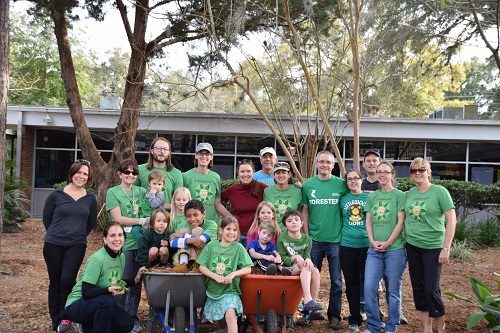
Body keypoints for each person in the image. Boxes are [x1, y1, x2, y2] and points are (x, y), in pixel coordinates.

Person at [43, 159, 97, 333]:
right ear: (72, 173)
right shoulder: (56, 195)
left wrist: (77, 234)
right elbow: (47, 219)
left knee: (67, 280)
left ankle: (67, 316)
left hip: (76, 245)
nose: (81, 176)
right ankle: (56, 320)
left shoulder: (90, 198)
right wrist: (58, 233)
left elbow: (91, 223)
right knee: (55, 283)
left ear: (88, 178)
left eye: (85, 174)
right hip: (53, 244)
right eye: (79, 172)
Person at [404, 158, 456, 333]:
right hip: (412, 246)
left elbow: (451, 220)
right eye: (413, 171)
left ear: (429, 172)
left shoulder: (440, 191)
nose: (418, 173)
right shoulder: (410, 193)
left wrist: (446, 248)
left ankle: (440, 328)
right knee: (419, 288)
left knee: (431, 288)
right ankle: (426, 328)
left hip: (433, 247)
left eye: (421, 169)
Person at [64, 222, 144, 333]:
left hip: (100, 303)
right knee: (107, 301)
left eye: (120, 235)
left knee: (126, 323)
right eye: (112, 235)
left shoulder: (121, 256)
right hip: (77, 305)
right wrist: (108, 290)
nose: (117, 239)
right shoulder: (97, 259)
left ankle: (88, 328)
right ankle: (88, 325)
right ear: (105, 239)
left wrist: (136, 279)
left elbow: (116, 282)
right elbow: (86, 292)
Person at [301, 150, 347, 329]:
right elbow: (305, 210)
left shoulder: (341, 185)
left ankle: (334, 316)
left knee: (336, 280)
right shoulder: (308, 185)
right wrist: (306, 234)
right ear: (316, 164)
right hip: (314, 240)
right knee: (309, 277)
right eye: (321, 162)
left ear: (333, 164)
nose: (324, 165)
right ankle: (308, 313)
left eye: (328, 162)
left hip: (336, 240)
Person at [105, 159, 148, 333]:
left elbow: (151, 211)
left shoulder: (142, 191)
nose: (130, 175)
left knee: (137, 282)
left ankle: (132, 318)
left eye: (134, 172)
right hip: (123, 243)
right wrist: (141, 221)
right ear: (120, 174)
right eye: (126, 172)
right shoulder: (113, 192)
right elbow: (118, 219)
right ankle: (118, 318)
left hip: (141, 242)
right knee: (122, 280)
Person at [363, 161, 406, 333]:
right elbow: (368, 221)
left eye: (385, 172)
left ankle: (392, 325)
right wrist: (372, 241)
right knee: (369, 288)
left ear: (392, 175)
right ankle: (373, 325)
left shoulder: (399, 195)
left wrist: (388, 243)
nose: (381, 175)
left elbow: (401, 222)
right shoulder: (372, 197)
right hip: (373, 250)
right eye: (379, 172)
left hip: (394, 249)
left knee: (393, 290)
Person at [196, 216, 253, 333]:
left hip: (230, 290)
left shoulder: (238, 248)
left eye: (234, 230)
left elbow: (248, 269)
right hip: (213, 290)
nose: (231, 233)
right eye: (228, 229)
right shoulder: (211, 246)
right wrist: (215, 276)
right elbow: (201, 266)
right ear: (221, 230)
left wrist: (233, 274)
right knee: (222, 320)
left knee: (230, 314)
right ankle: (223, 330)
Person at [277, 210, 322, 324]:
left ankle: (311, 306)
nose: (294, 222)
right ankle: (307, 299)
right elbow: (282, 258)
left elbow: (307, 256)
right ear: (285, 224)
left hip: (302, 268)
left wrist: (308, 259)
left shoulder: (307, 239)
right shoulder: (282, 239)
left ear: (302, 223)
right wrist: (295, 257)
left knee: (315, 271)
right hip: (288, 269)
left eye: (297, 220)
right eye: (290, 221)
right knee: (306, 267)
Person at [339, 169, 370, 333]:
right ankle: (355, 318)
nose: (352, 181)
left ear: (361, 179)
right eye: (349, 179)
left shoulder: (369, 198)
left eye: (356, 178)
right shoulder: (343, 199)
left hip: (366, 245)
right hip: (347, 245)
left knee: (369, 283)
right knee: (352, 284)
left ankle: (373, 316)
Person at [221, 159, 267, 245]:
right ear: (238, 173)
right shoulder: (232, 190)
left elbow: (276, 194)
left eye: (248, 171)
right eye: (242, 171)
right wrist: (230, 217)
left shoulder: (262, 188)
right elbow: (217, 202)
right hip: (237, 234)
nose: (245, 174)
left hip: (257, 235)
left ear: (253, 172)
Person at [183, 142, 230, 221]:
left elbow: (217, 205)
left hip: (210, 224)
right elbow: (182, 203)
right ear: (196, 155)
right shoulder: (186, 176)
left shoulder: (216, 177)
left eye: (207, 154)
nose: (204, 156)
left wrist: (231, 218)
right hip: (192, 223)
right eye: (201, 153)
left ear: (211, 157)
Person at [135, 137, 183, 210]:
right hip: (143, 218)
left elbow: (180, 201)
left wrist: (157, 205)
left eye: (165, 149)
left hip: (166, 218)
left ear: (169, 152)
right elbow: (133, 195)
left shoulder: (176, 173)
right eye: (158, 148)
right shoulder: (139, 170)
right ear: (152, 151)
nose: (162, 151)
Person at [170, 199, 218, 269]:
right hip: (187, 256)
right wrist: (189, 240)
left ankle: (195, 265)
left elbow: (200, 241)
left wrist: (183, 236)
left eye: (195, 215)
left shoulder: (212, 224)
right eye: (189, 216)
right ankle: (183, 266)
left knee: (197, 230)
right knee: (185, 231)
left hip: (206, 256)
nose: (192, 219)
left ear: (203, 214)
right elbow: (172, 243)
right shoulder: (184, 225)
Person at [263, 161, 302, 234]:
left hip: (292, 234)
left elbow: (302, 212)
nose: (281, 175)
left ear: (289, 175)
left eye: (284, 172)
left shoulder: (297, 191)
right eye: (278, 173)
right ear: (274, 175)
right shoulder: (267, 192)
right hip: (273, 233)